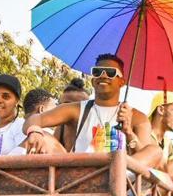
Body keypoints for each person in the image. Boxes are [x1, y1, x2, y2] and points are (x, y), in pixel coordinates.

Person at [22, 54, 160, 166]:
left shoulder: (138, 118)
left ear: (121, 82)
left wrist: (129, 132)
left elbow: (148, 158)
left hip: (118, 179)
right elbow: (32, 120)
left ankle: (117, 175)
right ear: (93, 80)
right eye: (97, 72)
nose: (103, 76)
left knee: (156, 151)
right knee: (44, 136)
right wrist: (34, 131)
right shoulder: (76, 109)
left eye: (111, 72)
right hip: (79, 174)